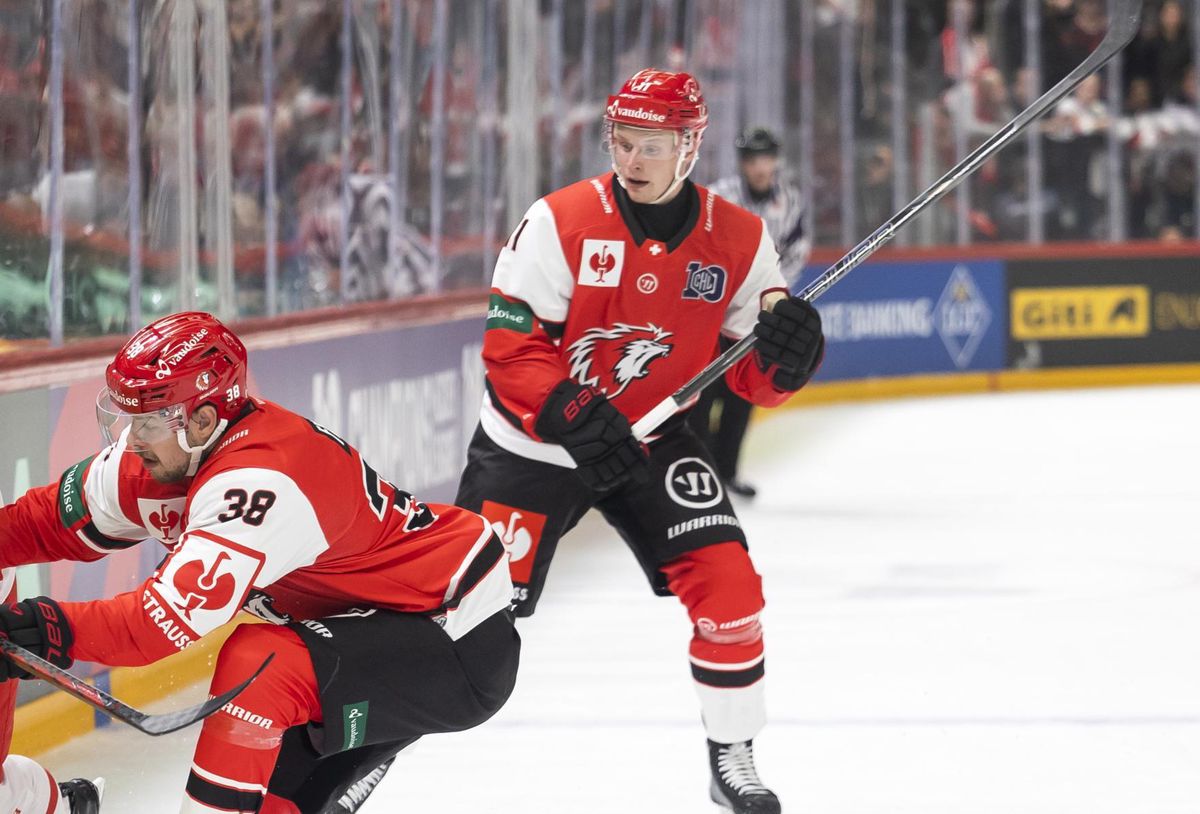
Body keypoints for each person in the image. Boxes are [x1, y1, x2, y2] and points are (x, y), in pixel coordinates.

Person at [456, 69, 824, 814]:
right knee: (461, 620)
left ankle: (733, 757)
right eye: (623, 143)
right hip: (533, 448)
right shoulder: (559, 221)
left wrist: (788, 355)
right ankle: (371, 756)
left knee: (730, 588)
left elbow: (754, 380)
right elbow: (511, 342)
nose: (632, 161)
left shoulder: (740, 239)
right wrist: (567, 410)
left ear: (690, 147)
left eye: (651, 146)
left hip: (652, 440)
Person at [0, 311, 519, 813]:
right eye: (127, 417)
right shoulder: (158, 458)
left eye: (147, 421)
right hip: (350, 635)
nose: (131, 440)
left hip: (451, 635)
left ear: (201, 421)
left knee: (259, 664)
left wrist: (43, 630)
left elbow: (153, 627)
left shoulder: (260, 484)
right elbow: (29, 527)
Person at [689, 125, 812, 499]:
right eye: (752, 160)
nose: (760, 167)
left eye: (766, 158)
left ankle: (727, 473)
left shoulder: (789, 199)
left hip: (757, 316)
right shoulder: (719, 197)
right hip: (713, 314)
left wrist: (771, 294)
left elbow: (796, 250)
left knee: (742, 396)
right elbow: (700, 248)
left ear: (775, 160)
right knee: (702, 396)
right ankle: (701, 475)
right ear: (743, 163)